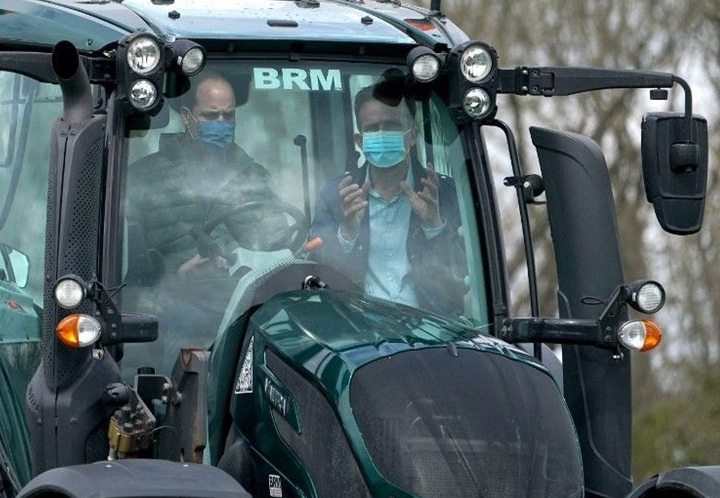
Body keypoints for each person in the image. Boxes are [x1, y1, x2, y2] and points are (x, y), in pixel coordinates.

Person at [310, 84, 466, 316]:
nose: (382, 135)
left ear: (412, 136)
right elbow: (313, 265)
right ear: (359, 141)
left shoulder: (446, 194)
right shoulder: (336, 195)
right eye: (373, 129)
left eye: (392, 126)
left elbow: (465, 278)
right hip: (358, 334)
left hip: (432, 333)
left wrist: (435, 226)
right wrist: (347, 232)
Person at [125, 73, 281, 281]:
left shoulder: (256, 176)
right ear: (186, 117)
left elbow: (280, 244)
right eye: (210, 115)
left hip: (248, 299)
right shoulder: (142, 178)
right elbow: (125, 265)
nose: (221, 123)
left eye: (228, 115)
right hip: (170, 306)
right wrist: (175, 274)